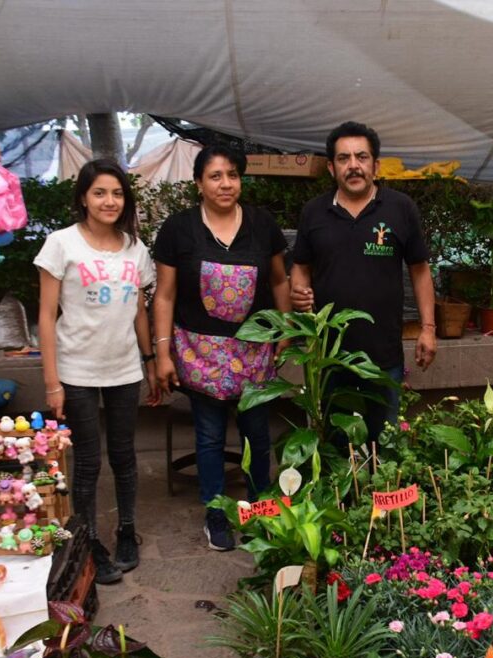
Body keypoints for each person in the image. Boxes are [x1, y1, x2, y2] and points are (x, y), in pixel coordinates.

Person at [152, 144, 292, 551]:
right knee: (209, 437)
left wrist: (285, 330)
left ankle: (262, 509)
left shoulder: (263, 225)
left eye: (232, 175)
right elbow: (163, 296)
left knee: (256, 435)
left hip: (254, 353)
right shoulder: (179, 229)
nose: (225, 183)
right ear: (199, 183)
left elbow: (280, 282)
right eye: (215, 176)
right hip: (200, 354)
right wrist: (162, 354)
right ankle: (216, 514)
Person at [35, 158, 160, 585]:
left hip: (125, 369)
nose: (110, 201)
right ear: (84, 199)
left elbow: (139, 311)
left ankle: (127, 531)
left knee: (125, 457)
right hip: (77, 371)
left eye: (117, 193)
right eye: (100, 192)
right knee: (87, 462)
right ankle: (88, 543)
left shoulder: (135, 249)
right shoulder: (61, 244)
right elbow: (46, 316)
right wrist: (52, 382)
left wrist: (149, 362)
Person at [291, 121, 437, 442]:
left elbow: (420, 270)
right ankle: (343, 495)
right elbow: (300, 266)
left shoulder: (401, 208)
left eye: (361, 157)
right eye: (344, 159)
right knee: (335, 444)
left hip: (382, 356)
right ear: (331, 168)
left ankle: (379, 493)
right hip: (328, 358)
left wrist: (427, 329)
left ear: (376, 165)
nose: (353, 165)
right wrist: (299, 292)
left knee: (383, 443)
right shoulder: (313, 213)